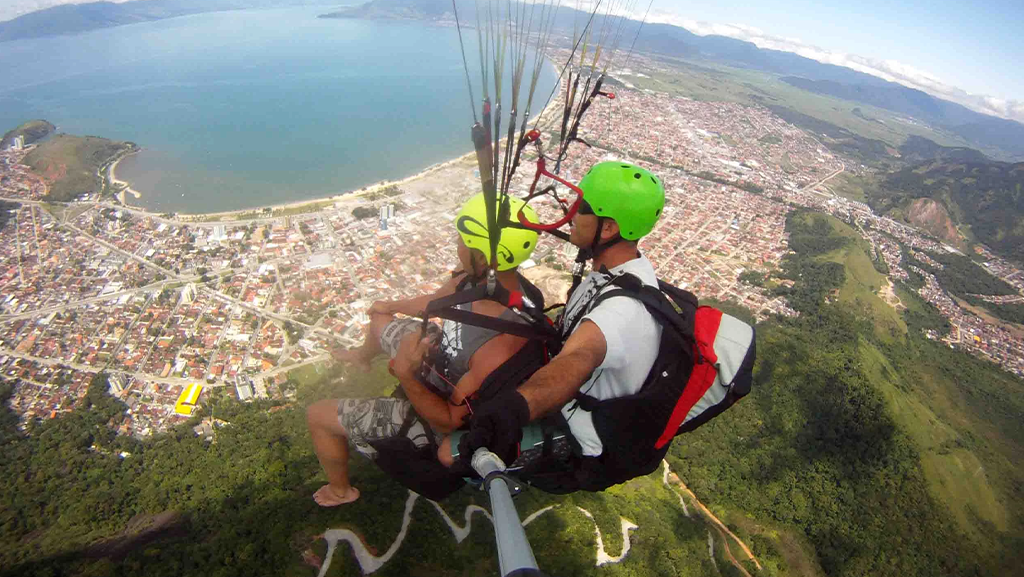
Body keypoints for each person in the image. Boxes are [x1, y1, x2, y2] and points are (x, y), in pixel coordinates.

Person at [306, 193, 542, 506]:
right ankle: (363, 358)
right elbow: (434, 303)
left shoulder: (500, 346)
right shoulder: (480, 279)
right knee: (379, 318)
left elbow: (447, 421)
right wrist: (388, 306)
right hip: (442, 362)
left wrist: (406, 373)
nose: (458, 248)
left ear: (484, 257)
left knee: (317, 415)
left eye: (463, 242)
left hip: (442, 410)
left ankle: (340, 491)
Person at [454, 161, 667, 480]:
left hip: (581, 439)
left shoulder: (621, 310)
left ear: (607, 228)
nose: (571, 211)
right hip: (576, 397)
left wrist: (515, 409)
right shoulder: (618, 271)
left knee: (451, 451)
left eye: (582, 206)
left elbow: (579, 358)